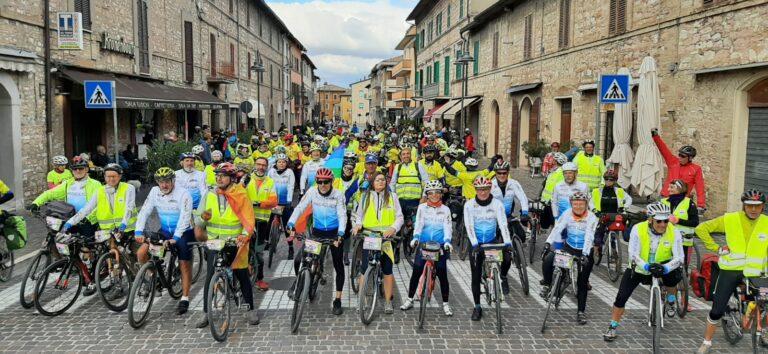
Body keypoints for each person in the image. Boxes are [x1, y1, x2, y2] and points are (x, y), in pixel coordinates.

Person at [694, 189, 768, 354]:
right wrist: (716, 248)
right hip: (731, 270)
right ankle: (706, 342)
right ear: (744, 206)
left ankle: (762, 331)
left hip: (757, 273)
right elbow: (701, 229)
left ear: (763, 206)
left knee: (765, 303)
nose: (753, 209)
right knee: (717, 309)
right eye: (749, 206)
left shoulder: (767, 222)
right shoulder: (730, 219)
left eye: (757, 206)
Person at [603, 202, 684, 341]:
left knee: (673, 276)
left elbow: (679, 257)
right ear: (651, 219)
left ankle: (671, 299)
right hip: (640, 267)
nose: (663, 225)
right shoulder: (638, 229)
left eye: (666, 221)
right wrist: (646, 266)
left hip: (663, 265)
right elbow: (633, 254)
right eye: (659, 221)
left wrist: (666, 267)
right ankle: (613, 325)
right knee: (621, 297)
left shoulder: (674, 231)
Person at [194, 162, 260, 328]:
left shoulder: (241, 194)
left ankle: (249, 308)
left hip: (234, 242)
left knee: (241, 274)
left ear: (231, 178)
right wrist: (203, 218)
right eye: (217, 175)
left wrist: (244, 236)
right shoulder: (209, 194)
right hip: (214, 242)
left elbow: (249, 219)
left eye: (222, 175)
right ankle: (205, 313)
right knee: (209, 277)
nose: (219, 178)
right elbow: (198, 220)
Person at [61, 163, 137, 297]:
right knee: (113, 256)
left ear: (120, 176)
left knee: (135, 254)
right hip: (109, 231)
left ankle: (143, 277)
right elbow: (87, 209)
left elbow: (129, 208)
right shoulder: (100, 191)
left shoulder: (128, 188)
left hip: (128, 228)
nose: (111, 179)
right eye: (108, 176)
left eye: (114, 176)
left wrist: (124, 224)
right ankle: (117, 285)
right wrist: (69, 222)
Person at [134, 167, 195, 314]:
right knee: (142, 253)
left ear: (173, 181)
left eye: (167, 181)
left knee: (184, 264)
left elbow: (185, 217)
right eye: (161, 182)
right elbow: (145, 211)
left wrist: (176, 237)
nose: (164, 185)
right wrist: (138, 230)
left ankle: (185, 298)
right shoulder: (155, 191)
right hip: (165, 231)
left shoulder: (183, 194)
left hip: (184, 231)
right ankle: (152, 279)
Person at [287, 168, 348, 315]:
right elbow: (300, 207)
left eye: (326, 182)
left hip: (334, 235)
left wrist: (340, 233)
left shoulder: (338, 194)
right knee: (298, 260)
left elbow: (342, 215)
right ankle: (301, 282)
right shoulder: (312, 191)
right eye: (319, 181)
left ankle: (338, 300)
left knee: (338, 266)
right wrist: (291, 223)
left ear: (331, 181)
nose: (322, 184)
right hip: (317, 233)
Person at [540, 191, 598, 324]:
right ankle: (549, 286)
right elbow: (557, 229)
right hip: (569, 248)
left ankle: (581, 312)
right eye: (575, 204)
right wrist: (548, 243)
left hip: (584, 251)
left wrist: (584, 255)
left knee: (582, 283)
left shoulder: (592, 217)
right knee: (549, 259)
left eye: (581, 204)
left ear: (586, 204)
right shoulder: (567, 214)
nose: (578, 206)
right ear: (571, 204)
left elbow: (589, 236)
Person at [352, 171, 403, 314]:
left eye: (383, 180)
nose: (381, 182)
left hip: (387, 238)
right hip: (370, 236)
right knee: (364, 269)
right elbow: (359, 215)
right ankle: (362, 300)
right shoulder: (365, 197)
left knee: (387, 270)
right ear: (373, 183)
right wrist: (357, 225)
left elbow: (399, 217)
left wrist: (393, 228)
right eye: (377, 180)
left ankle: (388, 301)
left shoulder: (393, 197)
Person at [401, 180, 453, 316]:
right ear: (427, 194)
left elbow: (448, 227)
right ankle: (409, 299)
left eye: (437, 192)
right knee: (417, 271)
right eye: (431, 193)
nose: (434, 195)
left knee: (442, 273)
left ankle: (446, 303)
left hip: (440, 245)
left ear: (441, 194)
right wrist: (415, 238)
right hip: (424, 244)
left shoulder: (446, 210)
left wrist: (447, 241)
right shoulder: (422, 208)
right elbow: (419, 224)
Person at [464, 176, 511, 321]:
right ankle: (477, 306)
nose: (482, 192)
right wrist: (474, 244)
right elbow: (469, 226)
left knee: (508, 258)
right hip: (476, 243)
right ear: (475, 190)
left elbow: (503, 224)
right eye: (479, 189)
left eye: (485, 189)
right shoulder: (469, 205)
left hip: (492, 241)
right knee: (476, 276)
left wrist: (508, 242)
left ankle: (501, 277)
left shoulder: (497, 204)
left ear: (490, 189)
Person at [29, 156, 101, 239]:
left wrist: (88, 218)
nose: (77, 171)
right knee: (63, 244)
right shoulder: (68, 183)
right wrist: (36, 203)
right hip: (70, 219)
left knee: (85, 249)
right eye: (75, 169)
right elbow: (50, 193)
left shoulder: (95, 184)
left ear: (86, 169)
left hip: (87, 221)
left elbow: (99, 204)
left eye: (81, 168)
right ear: (72, 171)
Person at [489, 160, 529, 295]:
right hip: (493, 218)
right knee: (503, 253)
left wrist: (524, 212)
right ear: (495, 173)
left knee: (522, 236)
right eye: (499, 173)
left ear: (508, 173)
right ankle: (499, 275)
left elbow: (522, 198)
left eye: (504, 173)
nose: (501, 175)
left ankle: (508, 270)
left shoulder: (513, 184)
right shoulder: (491, 185)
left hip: (508, 215)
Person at [651, 129, 706, 210]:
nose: (680, 157)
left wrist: (701, 205)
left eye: (683, 156)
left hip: (680, 202)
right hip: (665, 198)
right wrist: (655, 136)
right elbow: (663, 149)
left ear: (690, 158)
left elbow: (700, 188)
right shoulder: (673, 162)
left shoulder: (696, 169)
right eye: (679, 155)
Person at [246, 157, 278, 291]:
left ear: (267, 167)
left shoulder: (270, 181)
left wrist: (259, 204)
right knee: (244, 249)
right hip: (246, 219)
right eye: (259, 164)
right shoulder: (246, 180)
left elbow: (274, 201)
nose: (261, 167)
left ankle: (259, 279)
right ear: (255, 165)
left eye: (264, 165)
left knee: (258, 252)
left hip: (262, 222)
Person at [589, 170, 632, 260]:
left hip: (614, 216)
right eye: (606, 179)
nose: (608, 181)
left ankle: (614, 251)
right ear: (604, 180)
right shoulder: (597, 191)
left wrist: (624, 207)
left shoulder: (619, 191)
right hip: (601, 216)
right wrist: (595, 210)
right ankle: (597, 249)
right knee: (598, 233)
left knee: (614, 235)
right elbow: (591, 202)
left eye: (611, 180)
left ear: (615, 181)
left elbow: (629, 199)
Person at [661, 179, 699, 272]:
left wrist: (678, 220)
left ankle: (682, 280)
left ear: (680, 189)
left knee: (681, 266)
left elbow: (695, 222)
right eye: (668, 187)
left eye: (672, 187)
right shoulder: (664, 202)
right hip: (665, 238)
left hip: (683, 240)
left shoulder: (689, 203)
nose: (668, 189)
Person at [389, 148, 429, 231]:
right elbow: (392, 183)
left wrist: (424, 197)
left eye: (408, 154)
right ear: (401, 156)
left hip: (415, 201)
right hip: (400, 201)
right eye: (403, 154)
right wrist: (393, 198)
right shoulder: (398, 167)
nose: (406, 156)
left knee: (415, 226)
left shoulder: (418, 165)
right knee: (398, 226)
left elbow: (426, 182)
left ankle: (413, 242)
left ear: (411, 155)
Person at [268, 154, 296, 259]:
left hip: (285, 202)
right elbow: (267, 185)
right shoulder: (271, 172)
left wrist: (289, 201)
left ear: (286, 163)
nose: (281, 164)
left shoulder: (289, 172)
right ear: (276, 163)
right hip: (273, 201)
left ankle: (291, 247)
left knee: (287, 226)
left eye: (284, 162)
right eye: (279, 162)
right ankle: (267, 241)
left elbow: (291, 186)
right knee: (268, 222)